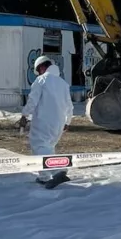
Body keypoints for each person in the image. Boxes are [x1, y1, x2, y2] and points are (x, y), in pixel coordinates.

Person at [18, 55, 74, 188]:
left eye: (39, 70)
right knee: (47, 147)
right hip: (59, 123)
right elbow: (69, 106)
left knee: (39, 146)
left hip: (44, 120)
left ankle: (58, 170)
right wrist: (68, 121)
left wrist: (24, 115)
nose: (39, 72)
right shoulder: (63, 83)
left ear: (42, 67)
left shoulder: (41, 80)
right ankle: (44, 176)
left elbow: (32, 100)